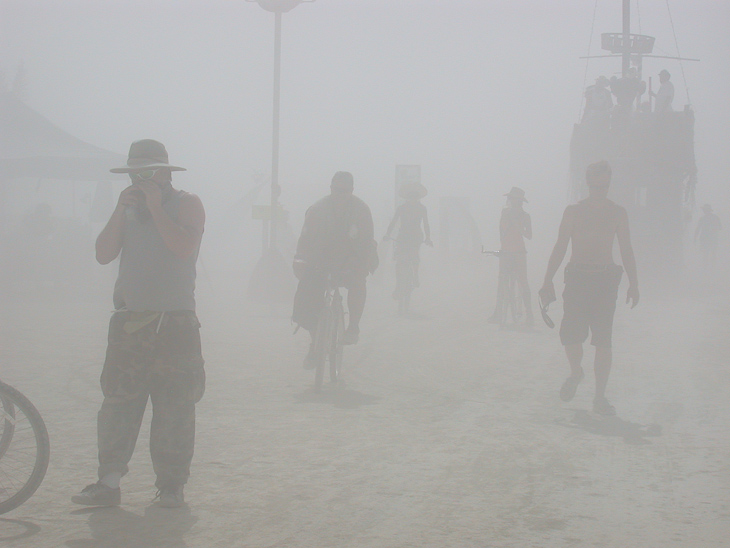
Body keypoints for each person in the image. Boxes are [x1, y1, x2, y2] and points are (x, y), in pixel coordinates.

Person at [72, 139, 205, 508]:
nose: (140, 179)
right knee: (118, 404)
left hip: (175, 324)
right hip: (130, 323)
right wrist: (121, 209)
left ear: (165, 173)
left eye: (147, 172)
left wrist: (156, 207)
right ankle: (109, 482)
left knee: (175, 408)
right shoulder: (128, 209)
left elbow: (183, 247)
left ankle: (171, 487)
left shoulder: (187, 204)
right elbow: (103, 254)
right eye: (134, 173)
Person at [539, 161, 639, 416]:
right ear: (588, 184)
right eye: (595, 186)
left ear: (608, 185)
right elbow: (561, 246)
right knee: (571, 335)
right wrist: (547, 279)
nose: (599, 191)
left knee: (603, 341)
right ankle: (576, 372)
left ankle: (599, 397)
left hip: (605, 280)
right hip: (578, 278)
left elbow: (626, 249)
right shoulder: (573, 211)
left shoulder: (618, 213)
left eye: (603, 186)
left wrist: (634, 283)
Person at [292, 171, 376, 362]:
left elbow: (366, 241)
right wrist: (300, 261)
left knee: (357, 282)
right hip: (322, 258)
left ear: (352, 191)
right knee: (306, 294)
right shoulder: (317, 209)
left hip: (351, 258)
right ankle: (316, 343)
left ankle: (353, 326)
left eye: (344, 191)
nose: (340, 194)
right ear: (331, 189)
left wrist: (362, 265)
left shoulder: (362, 210)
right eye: (336, 190)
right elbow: (305, 239)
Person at [489, 187, 533, 326]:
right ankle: (498, 313)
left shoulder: (525, 216)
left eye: (514, 199)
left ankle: (530, 314)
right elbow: (501, 232)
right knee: (501, 281)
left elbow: (529, 235)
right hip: (506, 252)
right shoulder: (505, 213)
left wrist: (518, 227)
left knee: (523, 281)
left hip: (519, 252)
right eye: (511, 199)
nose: (511, 201)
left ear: (519, 201)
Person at [383, 182, 432, 299]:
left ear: (418, 198)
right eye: (411, 197)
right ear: (407, 198)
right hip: (403, 237)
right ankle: (398, 286)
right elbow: (393, 222)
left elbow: (426, 224)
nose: (413, 199)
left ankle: (415, 275)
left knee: (414, 256)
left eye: (415, 197)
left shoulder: (422, 209)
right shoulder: (401, 209)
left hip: (416, 237)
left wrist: (428, 237)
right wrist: (387, 234)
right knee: (399, 262)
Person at [694, 203, 722, 270]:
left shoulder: (702, 219)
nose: (704, 211)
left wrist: (695, 238)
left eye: (704, 210)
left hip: (707, 238)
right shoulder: (715, 217)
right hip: (711, 238)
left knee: (707, 254)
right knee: (711, 253)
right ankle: (711, 268)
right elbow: (720, 227)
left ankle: (707, 268)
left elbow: (698, 229)